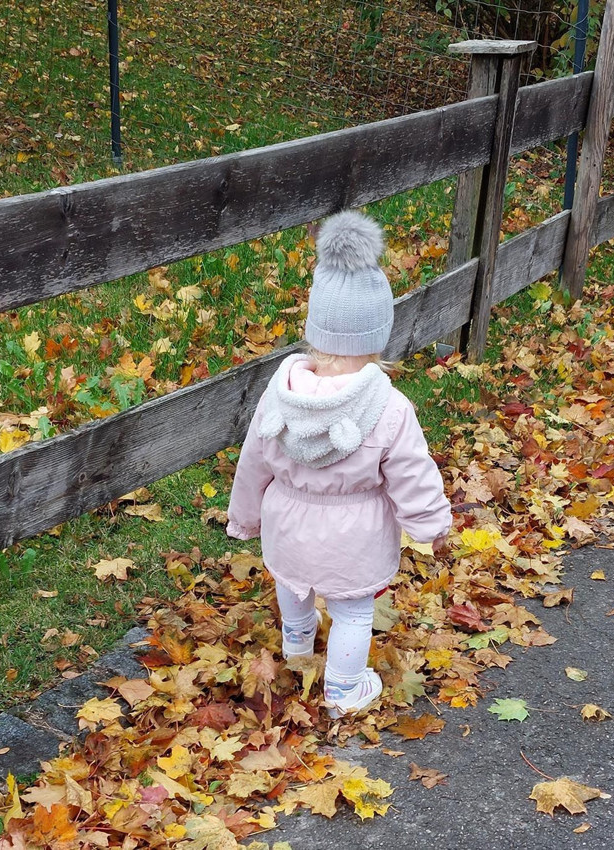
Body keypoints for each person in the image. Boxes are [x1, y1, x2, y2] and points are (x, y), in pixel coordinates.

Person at [226, 210, 451, 718]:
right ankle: (345, 690)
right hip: (355, 536)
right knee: (352, 610)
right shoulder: (390, 407)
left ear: (314, 329)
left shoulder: (280, 395)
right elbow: (412, 473)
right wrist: (430, 524)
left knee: (294, 588)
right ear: (378, 336)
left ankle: (298, 652)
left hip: (288, 526)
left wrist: (245, 517)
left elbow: (253, 462)